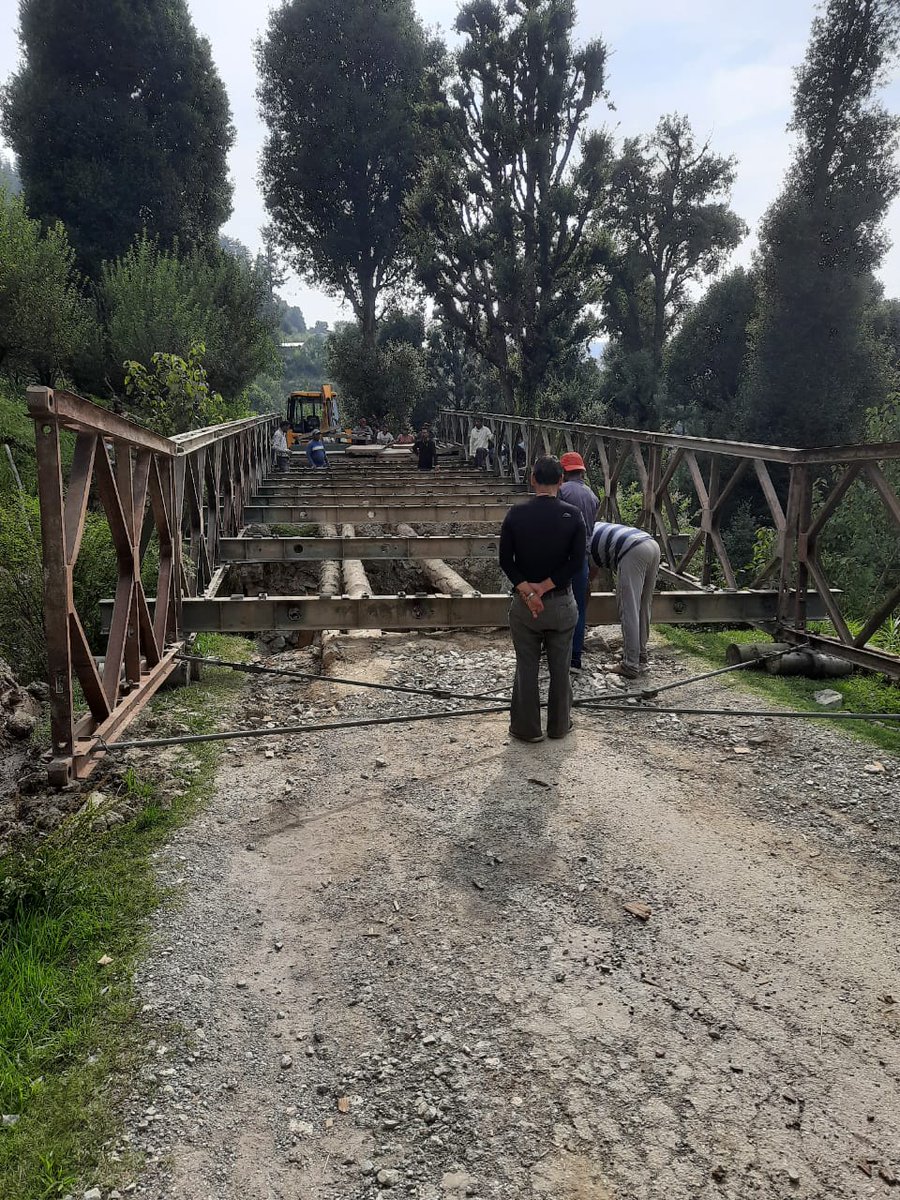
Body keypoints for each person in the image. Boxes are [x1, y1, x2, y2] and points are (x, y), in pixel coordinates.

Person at [499, 456, 585, 742]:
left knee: (526, 666)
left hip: (525, 607)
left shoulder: (515, 513)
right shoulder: (573, 515)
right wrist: (546, 587)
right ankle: (559, 726)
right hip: (561, 603)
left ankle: (527, 729)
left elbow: (506, 561)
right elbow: (576, 563)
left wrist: (529, 592)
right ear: (561, 481)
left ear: (533, 479)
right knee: (560, 668)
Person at [588, 519, 661, 678]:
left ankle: (630, 665)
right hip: (651, 545)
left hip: (632, 551)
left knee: (629, 610)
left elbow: (588, 571)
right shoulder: (592, 528)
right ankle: (640, 655)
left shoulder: (581, 538)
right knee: (643, 605)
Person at [558, 452, 600, 672]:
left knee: (556, 602)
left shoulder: (561, 492)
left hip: (562, 558)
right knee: (579, 607)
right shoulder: (592, 495)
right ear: (582, 471)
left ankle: (556, 651)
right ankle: (575, 658)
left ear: (563, 472)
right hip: (582, 559)